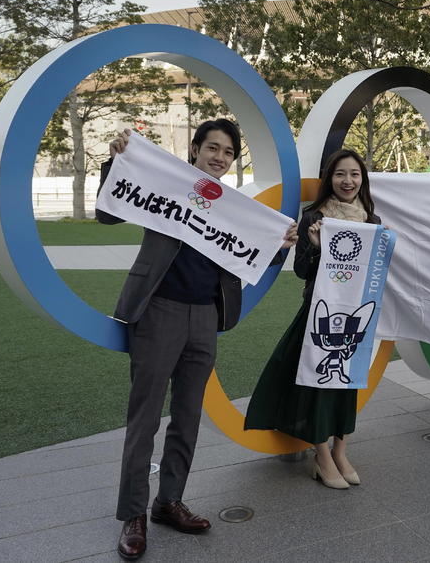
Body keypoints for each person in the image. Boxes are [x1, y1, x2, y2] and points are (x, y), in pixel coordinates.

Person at [98, 119, 297, 561]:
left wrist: (278, 244)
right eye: (213, 148)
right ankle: (133, 514)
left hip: (206, 316)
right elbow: (108, 210)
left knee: (187, 417)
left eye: (228, 151)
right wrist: (117, 161)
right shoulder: (167, 184)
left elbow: (250, 259)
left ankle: (169, 501)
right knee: (145, 417)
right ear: (195, 149)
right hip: (158, 309)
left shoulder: (235, 207)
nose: (220, 157)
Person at [245, 149, 380, 490]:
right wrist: (316, 245)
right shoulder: (314, 217)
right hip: (320, 312)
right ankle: (321, 454)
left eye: (354, 174)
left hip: (354, 317)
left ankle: (341, 449)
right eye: (340, 174)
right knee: (318, 382)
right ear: (328, 179)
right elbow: (301, 271)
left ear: (362, 179)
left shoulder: (371, 220)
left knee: (347, 382)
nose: (347, 181)